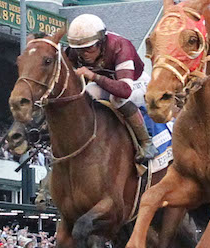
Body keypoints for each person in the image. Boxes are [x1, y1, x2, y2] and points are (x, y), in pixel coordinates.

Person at [64, 13, 157, 161]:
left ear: (101, 42)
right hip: (107, 84)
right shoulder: (73, 52)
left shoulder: (120, 46)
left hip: (136, 82)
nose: (84, 54)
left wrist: (93, 76)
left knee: (117, 98)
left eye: (89, 48)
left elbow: (125, 90)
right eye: (80, 50)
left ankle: (146, 142)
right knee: (86, 95)